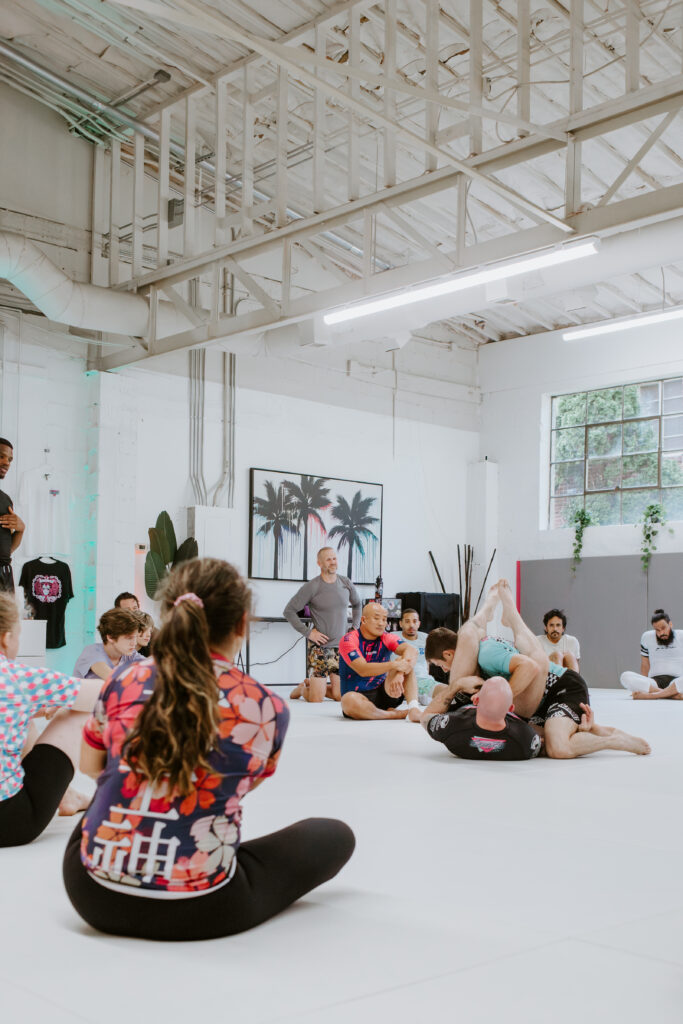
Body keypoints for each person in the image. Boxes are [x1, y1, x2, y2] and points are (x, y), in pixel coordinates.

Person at [62, 557, 355, 940]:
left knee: (115, 789)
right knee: (334, 835)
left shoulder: (126, 679)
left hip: (92, 892)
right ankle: (194, 858)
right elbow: (235, 788)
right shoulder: (266, 706)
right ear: (241, 626)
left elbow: (90, 766)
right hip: (204, 905)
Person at [424, 580, 650, 759]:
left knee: (558, 748)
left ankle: (613, 740)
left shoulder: (487, 650)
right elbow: (425, 714)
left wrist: (500, 704)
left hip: (562, 689)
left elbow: (531, 666)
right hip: (535, 701)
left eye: (439, 664)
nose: (443, 669)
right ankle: (589, 729)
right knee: (543, 737)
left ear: (449, 654)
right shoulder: (469, 671)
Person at [0, 593, 102, 846]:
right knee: (76, 711)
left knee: (27, 720)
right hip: (11, 822)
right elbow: (106, 693)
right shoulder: (19, 676)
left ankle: (69, 796)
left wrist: (31, 707)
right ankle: (69, 797)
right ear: (6, 638)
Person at [284, 546, 361, 702]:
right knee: (315, 699)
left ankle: (313, 685)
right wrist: (308, 632)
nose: (333, 562)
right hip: (318, 648)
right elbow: (289, 611)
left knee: (340, 696)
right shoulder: (312, 586)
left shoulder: (345, 582)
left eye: (334, 558)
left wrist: (355, 628)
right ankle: (303, 688)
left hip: (340, 647)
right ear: (319, 563)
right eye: (328, 559)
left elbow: (358, 604)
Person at [422, 676, 542, 760]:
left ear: (476, 700)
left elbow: (426, 717)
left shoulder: (452, 726)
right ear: (511, 709)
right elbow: (538, 745)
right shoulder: (525, 740)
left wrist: (455, 686)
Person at [338, 602, 420, 720]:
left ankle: (413, 709)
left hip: (386, 693)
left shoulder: (386, 637)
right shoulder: (349, 640)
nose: (382, 623)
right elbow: (363, 669)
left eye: (384, 619)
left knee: (405, 659)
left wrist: (400, 673)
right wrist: (395, 665)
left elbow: (411, 650)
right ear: (364, 620)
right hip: (358, 697)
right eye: (376, 618)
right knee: (348, 700)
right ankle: (395, 714)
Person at [620, 608, 683, 700]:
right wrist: (642, 683)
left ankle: (652, 695)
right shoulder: (647, 637)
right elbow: (645, 664)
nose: (661, 633)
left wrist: (644, 690)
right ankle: (673, 695)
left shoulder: (681, 635)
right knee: (625, 676)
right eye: (657, 630)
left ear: (670, 624)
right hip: (654, 682)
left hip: (677, 682)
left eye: (663, 628)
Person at [392, 607, 446, 706]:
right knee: (448, 692)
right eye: (407, 621)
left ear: (419, 624)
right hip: (401, 680)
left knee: (447, 691)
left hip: (424, 679)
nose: (411, 625)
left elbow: (429, 661)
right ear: (401, 623)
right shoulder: (393, 637)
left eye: (414, 621)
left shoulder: (426, 638)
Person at [73, 608, 143, 680]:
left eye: (135, 637)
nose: (134, 643)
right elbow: (114, 679)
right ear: (111, 637)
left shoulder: (130, 654)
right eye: (129, 638)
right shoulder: (92, 652)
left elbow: (153, 668)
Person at [0, 439, 25, 593]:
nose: (6, 463)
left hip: (4, 575)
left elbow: (5, 551)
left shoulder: (5, 499)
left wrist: (21, 529)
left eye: (9, 459)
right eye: (1, 456)